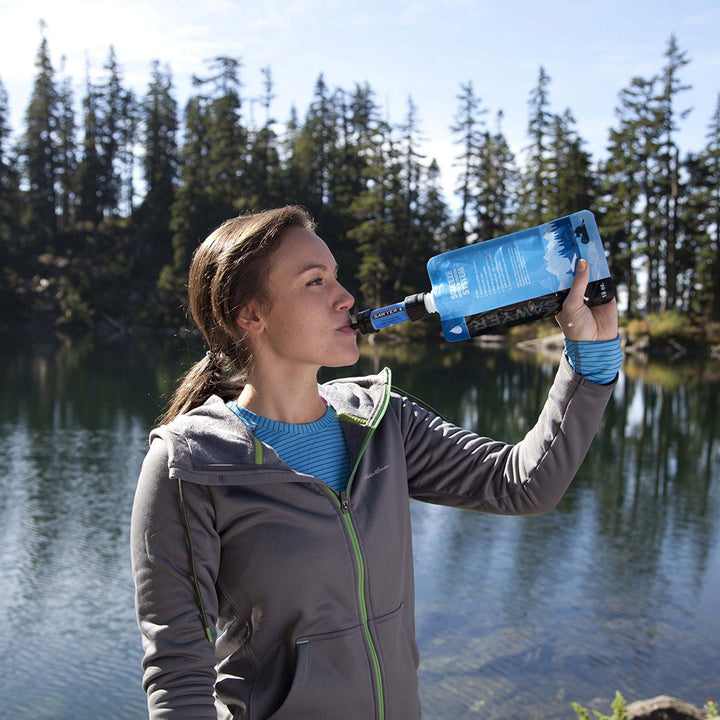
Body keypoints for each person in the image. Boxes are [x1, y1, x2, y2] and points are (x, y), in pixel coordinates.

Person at [131, 205, 621, 720]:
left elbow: (524, 485)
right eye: (315, 282)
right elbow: (179, 676)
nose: (346, 298)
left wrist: (591, 352)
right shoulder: (189, 466)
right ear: (250, 315)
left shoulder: (384, 421)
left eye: (337, 278)